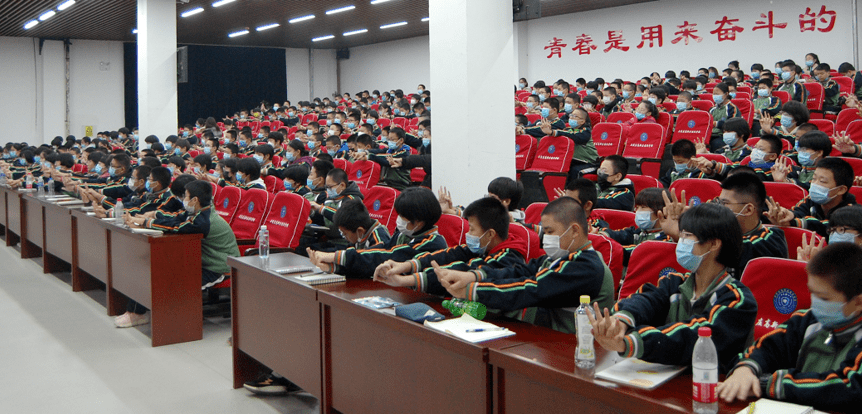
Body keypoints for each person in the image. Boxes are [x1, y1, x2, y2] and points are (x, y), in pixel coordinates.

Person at [590, 203, 756, 372]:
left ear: (713, 244)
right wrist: (620, 322)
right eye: (681, 234)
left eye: (687, 236)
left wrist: (633, 342)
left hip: (711, 385)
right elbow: (645, 300)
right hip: (667, 379)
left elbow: (693, 334)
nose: (680, 242)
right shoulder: (675, 283)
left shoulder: (738, 299)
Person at [427, 197, 613, 334]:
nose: (545, 238)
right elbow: (519, 271)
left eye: (550, 232)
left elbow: (532, 288)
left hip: (573, 347)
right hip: (546, 336)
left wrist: (471, 291)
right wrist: (474, 276)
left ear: (574, 231)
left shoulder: (586, 267)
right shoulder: (559, 258)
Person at [718, 243, 862, 412]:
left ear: (858, 302)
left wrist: (769, 383)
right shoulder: (808, 320)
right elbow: (768, 346)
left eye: (824, 298)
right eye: (811, 292)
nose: (815, 303)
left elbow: (847, 386)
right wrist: (746, 369)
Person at [118, 180, 240, 327]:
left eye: (186, 197)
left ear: (195, 200)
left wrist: (146, 223)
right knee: (153, 269)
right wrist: (143, 220)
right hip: (200, 262)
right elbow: (175, 219)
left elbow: (178, 227)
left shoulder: (204, 221)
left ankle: (147, 317)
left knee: (173, 281)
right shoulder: (199, 211)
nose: (183, 200)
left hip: (218, 268)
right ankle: (136, 312)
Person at [374, 197, 530, 296]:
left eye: (472, 229)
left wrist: (405, 281)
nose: (468, 233)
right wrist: (405, 265)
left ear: (490, 234)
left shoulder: (509, 257)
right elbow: (448, 255)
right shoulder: (483, 246)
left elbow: (462, 271)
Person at [307, 187, 447, 278]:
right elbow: (379, 251)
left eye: (402, 217)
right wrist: (334, 267)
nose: (398, 220)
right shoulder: (403, 235)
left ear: (418, 222)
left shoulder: (433, 243)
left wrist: (335, 257)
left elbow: (386, 256)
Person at [715, 172, 788, 274]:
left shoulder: (771, 239)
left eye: (725, 203)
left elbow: (740, 250)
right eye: (718, 202)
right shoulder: (725, 232)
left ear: (748, 210)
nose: (719, 208)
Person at [765, 157, 857, 237]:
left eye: (822, 181)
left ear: (841, 189)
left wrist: (795, 222)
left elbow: (827, 226)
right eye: (813, 179)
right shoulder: (810, 199)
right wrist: (785, 215)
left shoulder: (852, 211)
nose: (814, 184)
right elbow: (798, 212)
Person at [600, 188, 672, 266]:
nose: (638, 211)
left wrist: (606, 247)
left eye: (643, 207)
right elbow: (621, 235)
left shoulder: (667, 238)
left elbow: (636, 252)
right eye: (637, 208)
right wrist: (601, 234)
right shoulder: (640, 232)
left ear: (661, 211)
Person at [797, 205, 862, 262]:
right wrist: (811, 267)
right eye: (832, 231)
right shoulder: (829, 265)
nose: (835, 235)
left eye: (842, 230)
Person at [708, 82, 741, 151]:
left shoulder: (732, 108)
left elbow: (733, 125)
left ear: (726, 94)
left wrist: (717, 124)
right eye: (714, 94)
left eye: (717, 94)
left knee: (716, 144)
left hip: (723, 135)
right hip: (710, 134)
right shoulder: (712, 109)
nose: (715, 96)